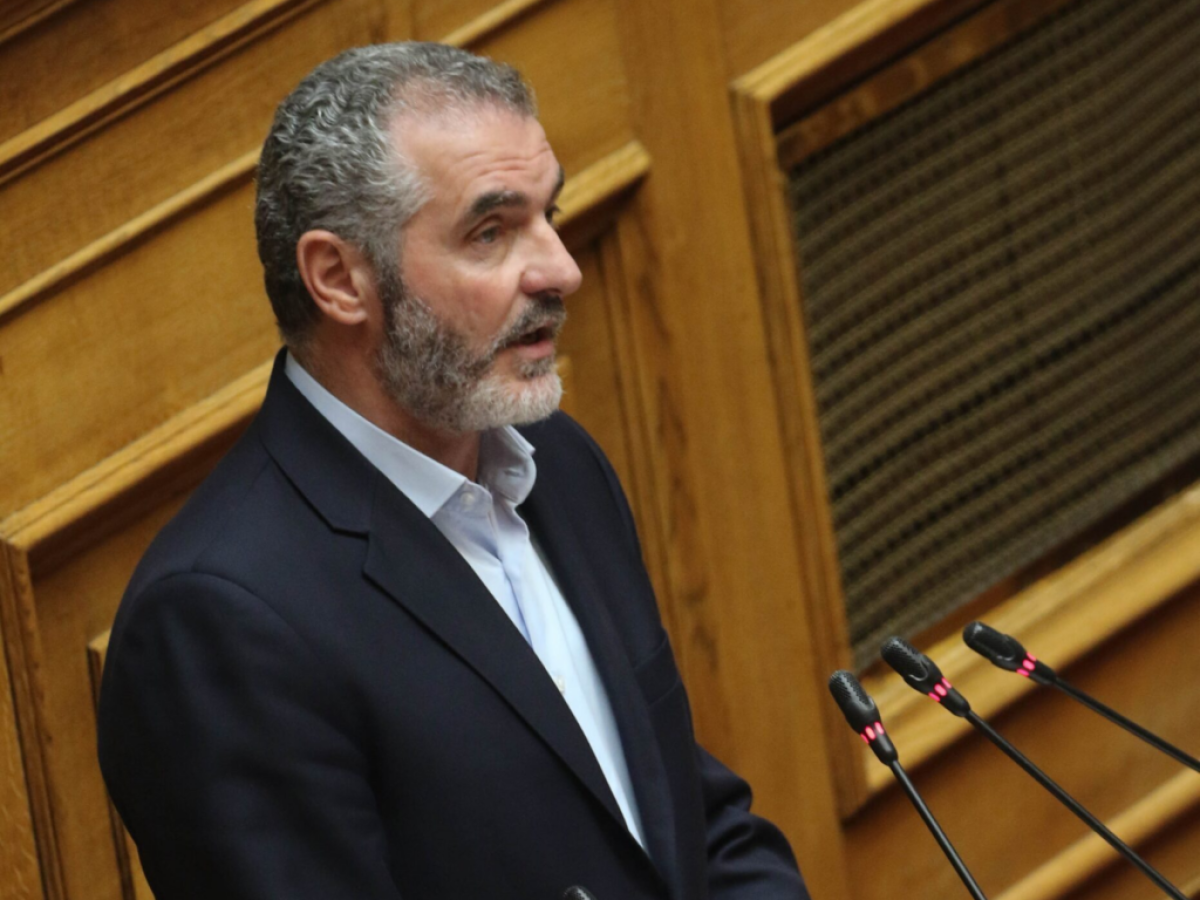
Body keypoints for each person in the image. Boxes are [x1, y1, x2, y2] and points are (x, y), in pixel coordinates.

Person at [97, 42, 809, 900]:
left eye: (550, 213)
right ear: (339, 279)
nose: (562, 269)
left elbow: (689, 827)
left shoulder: (560, 465)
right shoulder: (217, 621)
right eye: (490, 232)